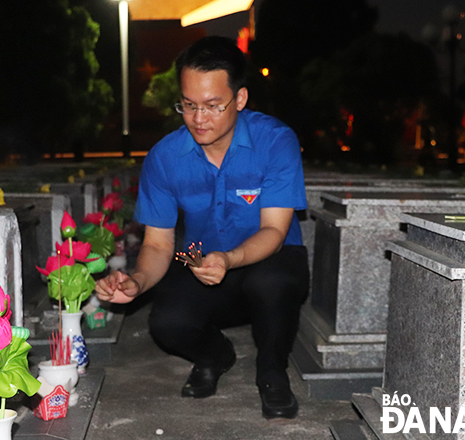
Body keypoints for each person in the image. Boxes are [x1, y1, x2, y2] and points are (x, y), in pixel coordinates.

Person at [96, 36, 309, 419]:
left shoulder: (275, 141)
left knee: (272, 284)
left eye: (212, 106)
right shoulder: (165, 157)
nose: (198, 119)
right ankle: (215, 355)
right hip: (201, 263)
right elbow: (159, 244)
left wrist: (229, 258)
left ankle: (272, 371)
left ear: (240, 99)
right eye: (188, 105)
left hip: (268, 259)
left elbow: (275, 232)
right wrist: (137, 281)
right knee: (166, 322)